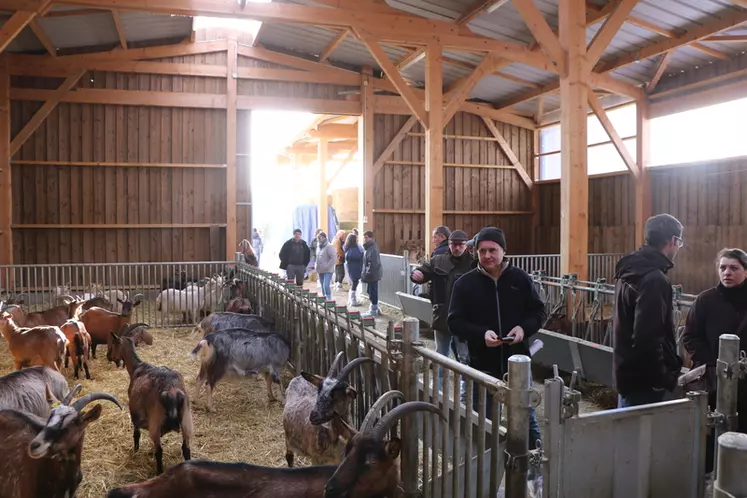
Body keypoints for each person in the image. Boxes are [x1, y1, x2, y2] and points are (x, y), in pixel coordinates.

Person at [447, 227, 545, 451]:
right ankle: (483, 470)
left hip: (518, 364)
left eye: (493, 250)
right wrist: (481, 334)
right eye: (482, 251)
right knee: (482, 422)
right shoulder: (465, 284)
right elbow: (454, 322)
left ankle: (531, 471)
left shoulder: (520, 279)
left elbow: (538, 312)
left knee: (526, 419)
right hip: (482, 365)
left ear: (504, 251)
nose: (487, 255)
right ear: (476, 253)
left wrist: (523, 328)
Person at [682, 248, 747, 476]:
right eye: (722, 268)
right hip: (712, 381)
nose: (727, 272)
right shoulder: (705, 300)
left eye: (734, 268)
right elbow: (689, 337)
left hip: (746, 382)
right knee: (711, 433)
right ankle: (709, 477)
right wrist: (716, 363)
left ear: (745, 272)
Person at [612, 213, 684, 409]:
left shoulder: (630, 269)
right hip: (644, 382)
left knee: (627, 433)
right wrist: (662, 378)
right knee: (639, 437)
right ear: (673, 240)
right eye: (679, 243)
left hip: (627, 372)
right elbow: (647, 339)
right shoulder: (653, 279)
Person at [411, 229, 473, 388]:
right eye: (454, 244)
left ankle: (466, 391)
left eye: (460, 244)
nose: (457, 248)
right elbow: (422, 271)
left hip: (465, 318)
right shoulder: (438, 260)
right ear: (449, 244)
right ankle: (437, 389)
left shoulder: (474, 264)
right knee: (441, 354)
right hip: (442, 315)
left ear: (466, 245)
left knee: (465, 356)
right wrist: (416, 274)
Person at [361, 230, 382, 318]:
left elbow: (373, 264)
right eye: (364, 238)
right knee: (371, 291)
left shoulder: (372, 248)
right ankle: (375, 308)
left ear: (371, 238)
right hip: (372, 274)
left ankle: (374, 310)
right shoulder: (370, 247)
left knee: (372, 292)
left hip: (372, 274)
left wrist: (367, 274)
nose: (365, 239)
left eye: (366, 238)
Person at [314, 231, 337, 300]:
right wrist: (316, 265)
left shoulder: (329, 246)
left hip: (327, 270)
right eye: (317, 238)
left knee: (326, 285)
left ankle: (329, 299)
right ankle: (324, 299)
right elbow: (317, 257)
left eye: (319, 238)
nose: (318, 239)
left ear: (324, 238)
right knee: (322, 285)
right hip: (320, 270)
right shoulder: (318, 246)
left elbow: (334, 258)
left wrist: (327, 266)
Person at [344, 232, 365, 307]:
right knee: (355, 283)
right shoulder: (355, 248)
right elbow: (359, 256)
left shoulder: (347, 247)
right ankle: (353, 299)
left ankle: (352, 299)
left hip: (351, 267)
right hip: (355, 268)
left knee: (354, 283)